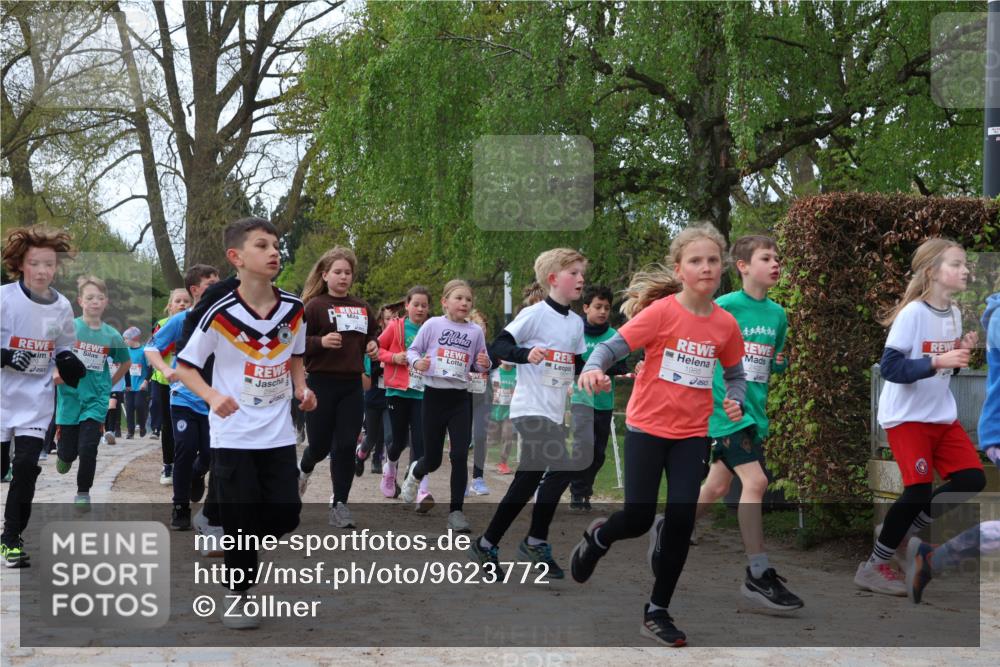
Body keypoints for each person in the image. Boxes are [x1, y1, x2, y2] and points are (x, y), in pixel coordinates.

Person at [572, 224, 747, 647]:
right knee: (637, 517)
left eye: (712, 260)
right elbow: (610, 348)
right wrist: (593, 369)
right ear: (679, 269)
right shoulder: (662, 313)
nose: (706, 267)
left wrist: (735, 399)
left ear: (722, 267)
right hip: (647, 429)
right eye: (696, 261)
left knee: (681, 520)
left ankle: (657, 611)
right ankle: (599, 536)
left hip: (692, 434)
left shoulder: (725, 324)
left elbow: (736, 375)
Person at [175, 217, 316, 630]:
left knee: (286, 516)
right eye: (262, 245)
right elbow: (185, 367)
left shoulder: (293, 309)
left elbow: (295, 356)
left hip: (277, 433)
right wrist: (212, 396)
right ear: (236, 257)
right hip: (233, 433)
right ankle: (238, 596)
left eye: (275, 245)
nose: (274, 252)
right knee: (241, 523)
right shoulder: (220, 313)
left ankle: (222, 525)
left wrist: (302, 388)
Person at [662, 235, 803, 611]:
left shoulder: (778, 315)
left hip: (755, 412)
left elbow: (772, 361)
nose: (775, 264)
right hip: (724, 411)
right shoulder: (723, 307)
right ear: (742, 266)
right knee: (756, 482)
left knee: (716, 486)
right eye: (766, 258)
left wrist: (778, 363)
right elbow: (694, 349)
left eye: (777, 258)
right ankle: (758, 573)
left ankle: (669, 527)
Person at [858, 238, 986, 596]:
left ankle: (902, 534)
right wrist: (938, 360)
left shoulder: (954, 313)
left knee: (972, 479)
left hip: (941, 416)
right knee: (918, 490)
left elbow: (943, 370)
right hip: (907, 417)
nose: (965, 270)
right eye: (956, 264)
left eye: (965, 264)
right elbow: (891, 367)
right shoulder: (913, 314)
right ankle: (873, 567)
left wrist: (958, 354)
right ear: (932, 272)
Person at [467, 248, 588, 579]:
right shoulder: (535, 314)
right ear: (553, 279)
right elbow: (499, 346)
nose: (581, 278)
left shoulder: (575, 323)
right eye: (574, 273)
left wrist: (603, 371)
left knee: (526, 481)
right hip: (529, 408)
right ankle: (534, 541)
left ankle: (487, 543)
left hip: (553, 412)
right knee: (562, 468)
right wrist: (525, 354)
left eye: (582, 273)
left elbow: (578, 363)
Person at [0, 226, 84, 567]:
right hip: (1, 396)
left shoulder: (61, 306)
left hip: (35, 399)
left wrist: (69, 361)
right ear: (21, 264)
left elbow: (64, 347)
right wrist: (5, 356)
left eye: (49, 264)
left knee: (24, 467)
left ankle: (11, 538)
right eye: (35, 263)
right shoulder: (4, 298)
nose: (42, 271)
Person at [296, 247, 378, 529]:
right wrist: (320, 342)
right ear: (325, 275)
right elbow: (296, 344)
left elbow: (372, 335)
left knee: (345, 446)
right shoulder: (314, 306)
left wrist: (372, 344)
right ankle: (303, 470)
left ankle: (339, 504)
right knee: (319, 447)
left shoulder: (362, 307)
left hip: (351, 385)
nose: (343, 277)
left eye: (348, 273)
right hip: (321, 383)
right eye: (338, 272)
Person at [399, 280, 490, 532]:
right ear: (445, 302)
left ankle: (456, 512)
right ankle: (416, 472)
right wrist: (417, 363)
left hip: (460, 399)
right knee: (433, 459)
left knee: (459, 455)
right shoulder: (433, 325)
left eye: (468, 300)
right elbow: (413, 351)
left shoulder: (475, 332)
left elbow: (480, 363)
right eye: (459, 298)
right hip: (434, 397)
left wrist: (484, 363)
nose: (464, 303)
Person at [145, 265, 220, 531]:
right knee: (185, 449)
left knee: (211, 455)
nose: (217, 288)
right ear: (195, 290)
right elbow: (151, 347)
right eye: (210, 284)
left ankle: (197, 474)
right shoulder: (182, 320)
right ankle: (180, 507)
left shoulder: (226, 320)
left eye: (219, 283)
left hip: (216, 401)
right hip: (184, 398)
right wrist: (165, 369)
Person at [54, 276, 131, 510]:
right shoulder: (69, 328)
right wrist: (56, 373)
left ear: (106, 302)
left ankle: (83, 493)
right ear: (80, 301)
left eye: (99, 298)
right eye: (90, 298)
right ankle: (64, 455)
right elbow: (53, 352)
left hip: (96, 399)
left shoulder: (112, 335)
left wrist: (109, 384)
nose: (95, 302)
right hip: (70, 397)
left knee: (88, 448)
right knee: (68, 453)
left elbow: (125, 362)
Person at [568, 285, 630, 511]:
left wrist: (599, 368)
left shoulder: (614, 336)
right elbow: (572, 365)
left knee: (598, 453)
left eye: (606, 307)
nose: (603, 311)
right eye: (598, 307)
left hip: (604, 402)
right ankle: (577, 493)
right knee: (583, 446)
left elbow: (622, 366)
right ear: (586, 308)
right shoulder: (577, 334)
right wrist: (589, 369)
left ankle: (586, 488)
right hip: (581, 400)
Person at [378, 286, 434, 509]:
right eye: (416, 304)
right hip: (398, 392)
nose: (420, 309)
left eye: (424, 305)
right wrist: (394, 357)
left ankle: (422, 490)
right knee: (399, 442)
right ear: (407, 305)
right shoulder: (396, 327)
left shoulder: (433, 328)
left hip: (423, 393)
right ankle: (390, 468)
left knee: (421, 442)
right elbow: (376, 349)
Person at [466, 309, 493, 496]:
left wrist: (489, 363)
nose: (479, 329)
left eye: (482, 326)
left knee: (481, 435)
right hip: (463, 395)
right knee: (463, 439)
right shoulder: (462, 345)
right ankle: (460, 478)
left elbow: (501, 362)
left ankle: (478, 478)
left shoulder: (490, 348)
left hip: (483, 395)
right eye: (475, 325)